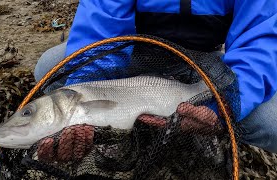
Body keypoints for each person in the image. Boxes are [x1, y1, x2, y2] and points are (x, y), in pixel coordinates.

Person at [34, 0, 277, 161]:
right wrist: (85, 105)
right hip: (135, 55)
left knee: (271, 123)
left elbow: (259, 44)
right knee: (49, 66)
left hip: (205, 63)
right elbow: (100, 24)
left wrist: (219, 106)